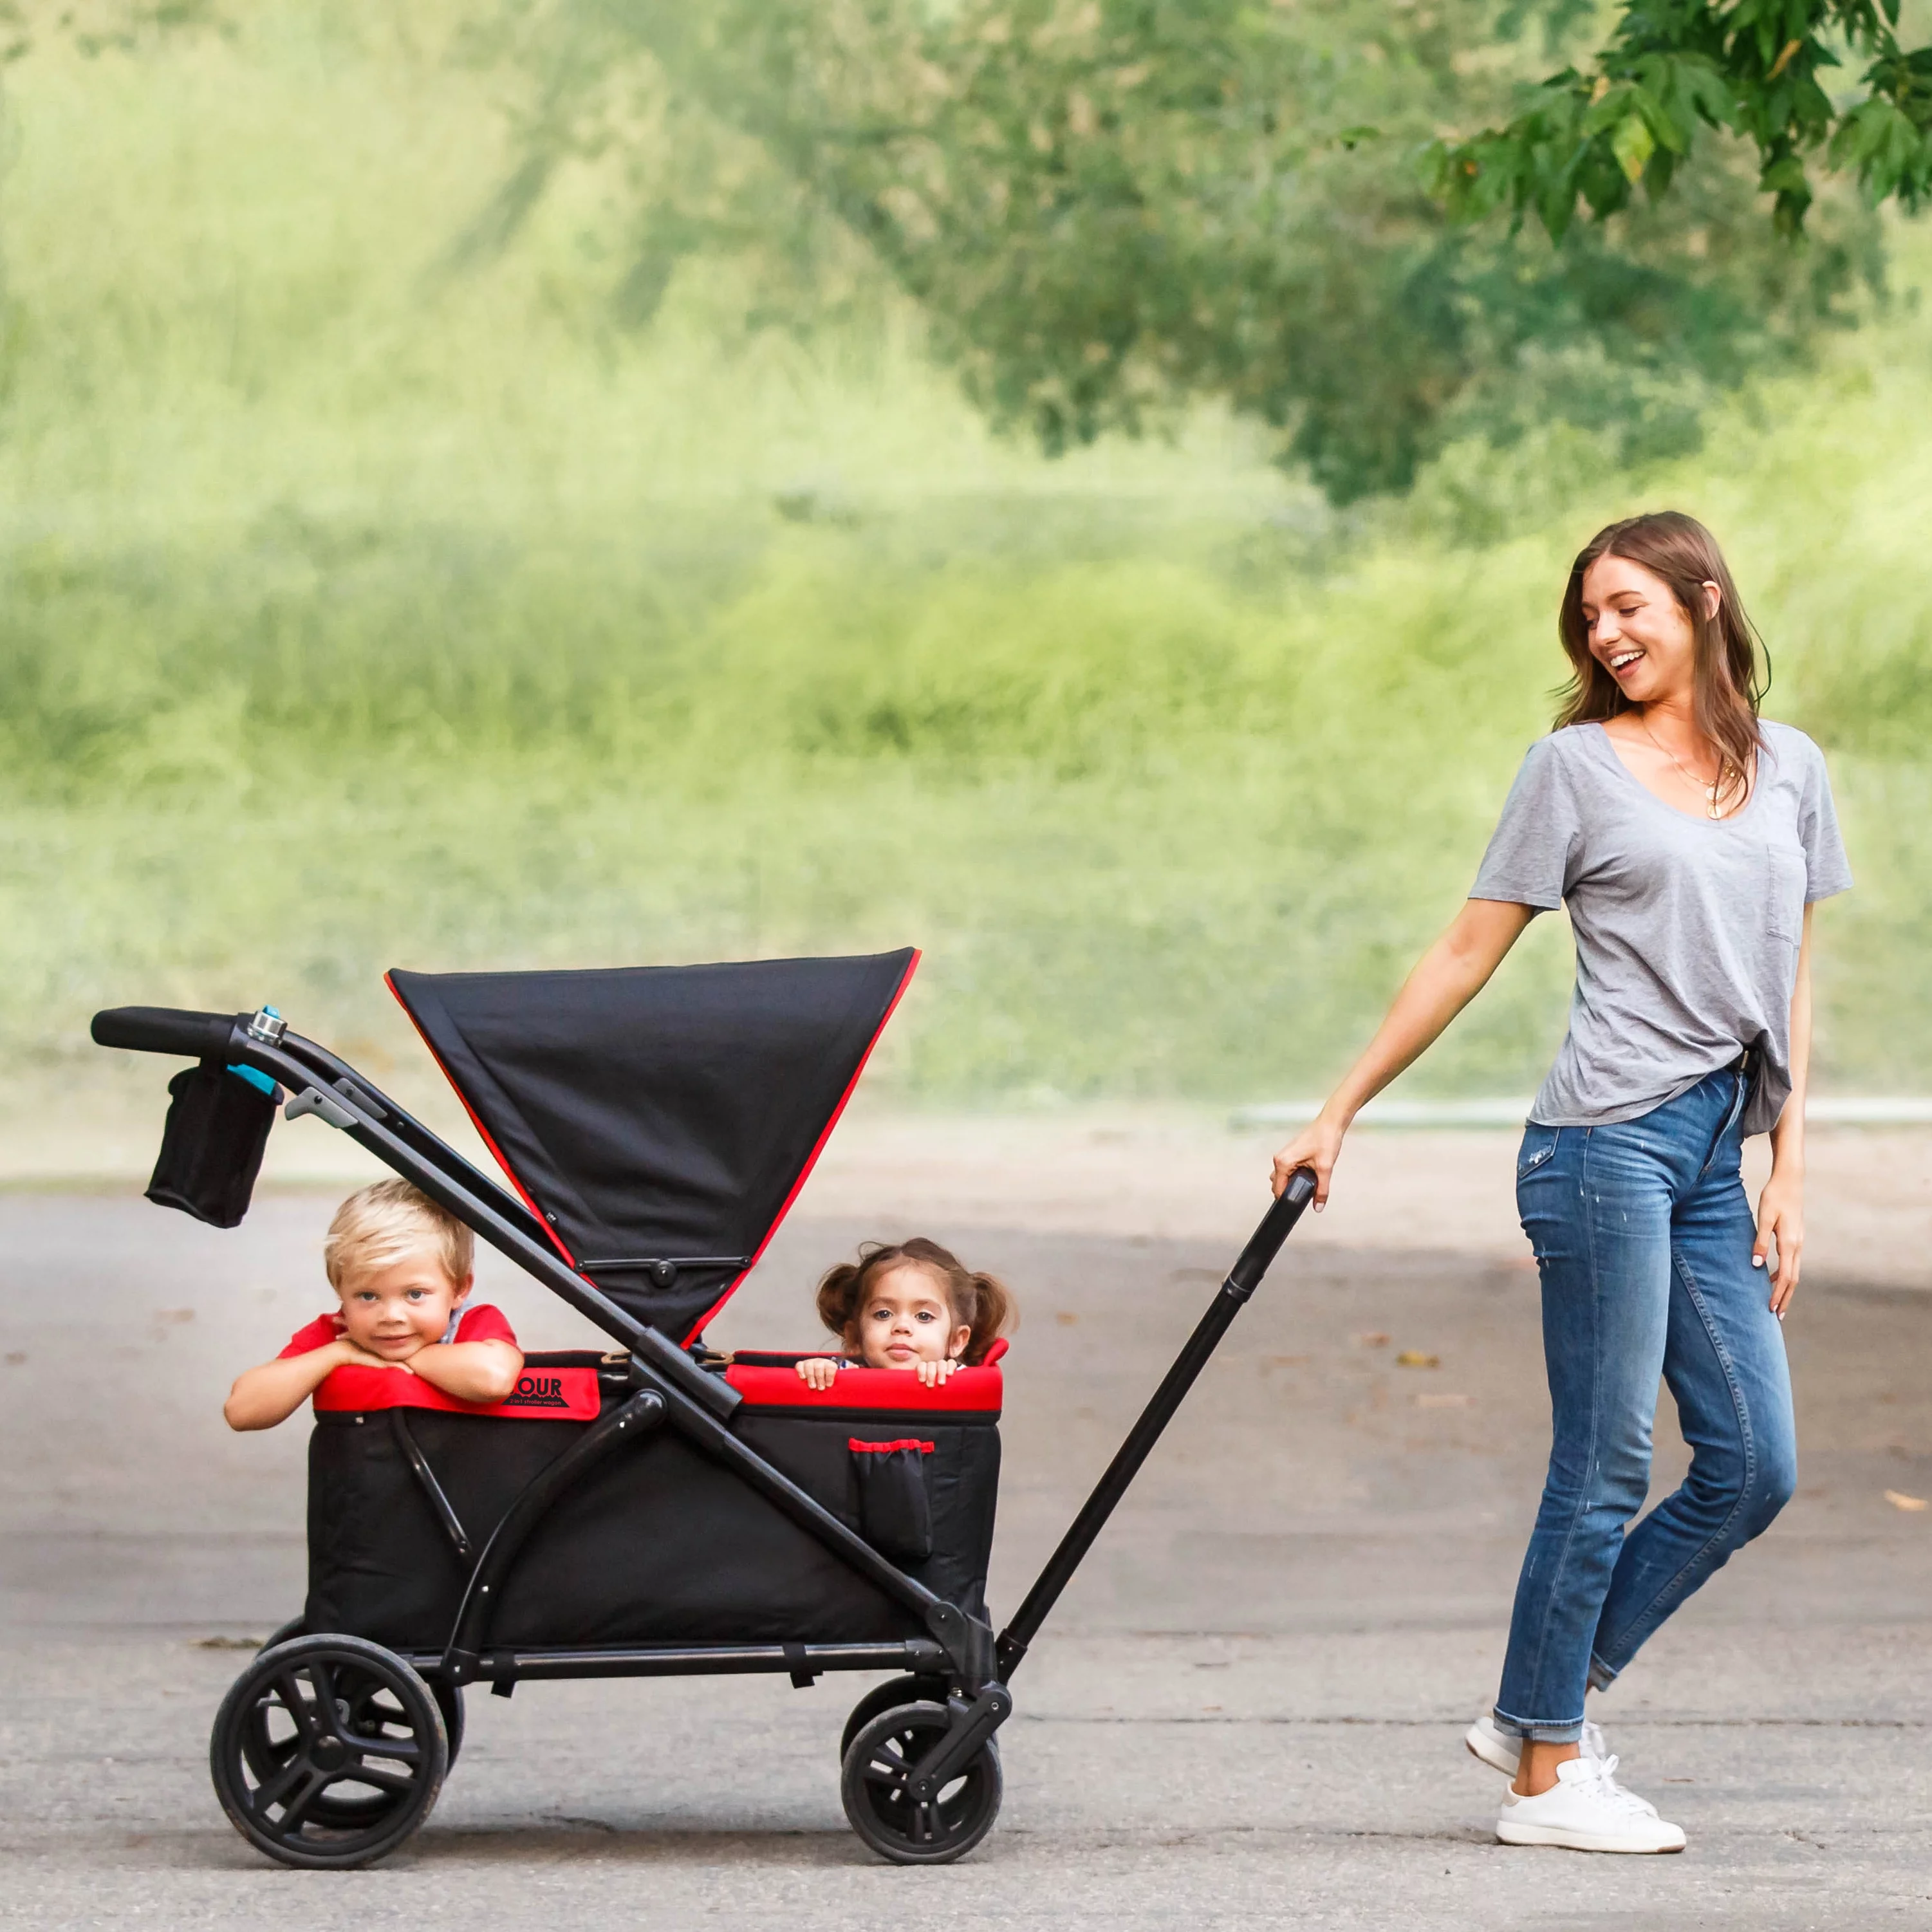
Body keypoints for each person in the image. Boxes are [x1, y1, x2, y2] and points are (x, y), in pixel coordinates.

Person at [1268, 511, 1850, 1855]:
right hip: (1602, 1143)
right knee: (1603, 1462)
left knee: (1755, 1464)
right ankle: (1543, 1775)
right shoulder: (1570, 770)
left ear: (1704, 599)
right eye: (1590, 616)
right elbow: (1467, 950)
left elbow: (1794, 973)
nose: (1607, 634)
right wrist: (1335, 1111)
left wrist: (1788, 1164)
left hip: (1716, 1150)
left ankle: (1543, 1698)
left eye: (1630, 605)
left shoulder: (1790, 771)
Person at [224, 1177, 523, 1431]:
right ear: (340, 1291)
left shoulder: (472, 1323)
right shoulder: (340, 1333)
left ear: (459, 1288)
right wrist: (337, 1353)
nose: (391, 1316)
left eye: (415, 1294)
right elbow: (241, 1412)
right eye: (368, 1296)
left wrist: (406, 1359)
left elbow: (493, 1379)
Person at [795, 1237, 1013, 1389]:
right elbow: (818, 1374)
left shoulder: (954, 1377)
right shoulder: (843, 1374)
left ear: (957, 1340)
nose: (902, 1326)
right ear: (855, 1336)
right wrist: (815, 1372)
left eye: (924, 1316)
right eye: (883, 1314)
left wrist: (948, 1376)